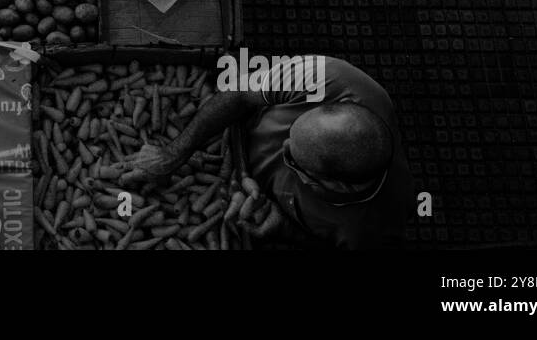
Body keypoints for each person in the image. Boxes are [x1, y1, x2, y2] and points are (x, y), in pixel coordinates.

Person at [123, 55, 416, 249]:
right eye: (289, 134)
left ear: (333, 185)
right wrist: (174, 153)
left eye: (292, 158)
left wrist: (283, 228)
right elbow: (239, 93)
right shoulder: (326, 77)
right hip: (233, 144)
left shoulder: (368, 231)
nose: (282, 146)